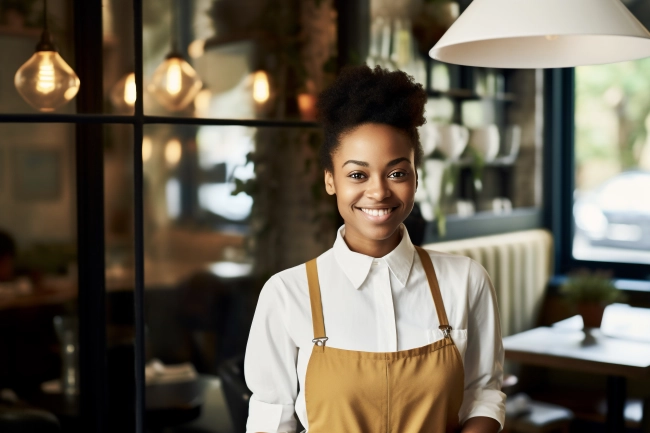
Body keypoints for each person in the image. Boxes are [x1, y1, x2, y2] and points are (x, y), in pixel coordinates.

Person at [244, 66, 505, 433]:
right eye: (357, 174)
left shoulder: (466, 281)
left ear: (416, 178)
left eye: (397, 173)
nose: (379, 191)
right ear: (331, 180)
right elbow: (271, 422)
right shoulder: (287, 294)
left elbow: (483, 394)